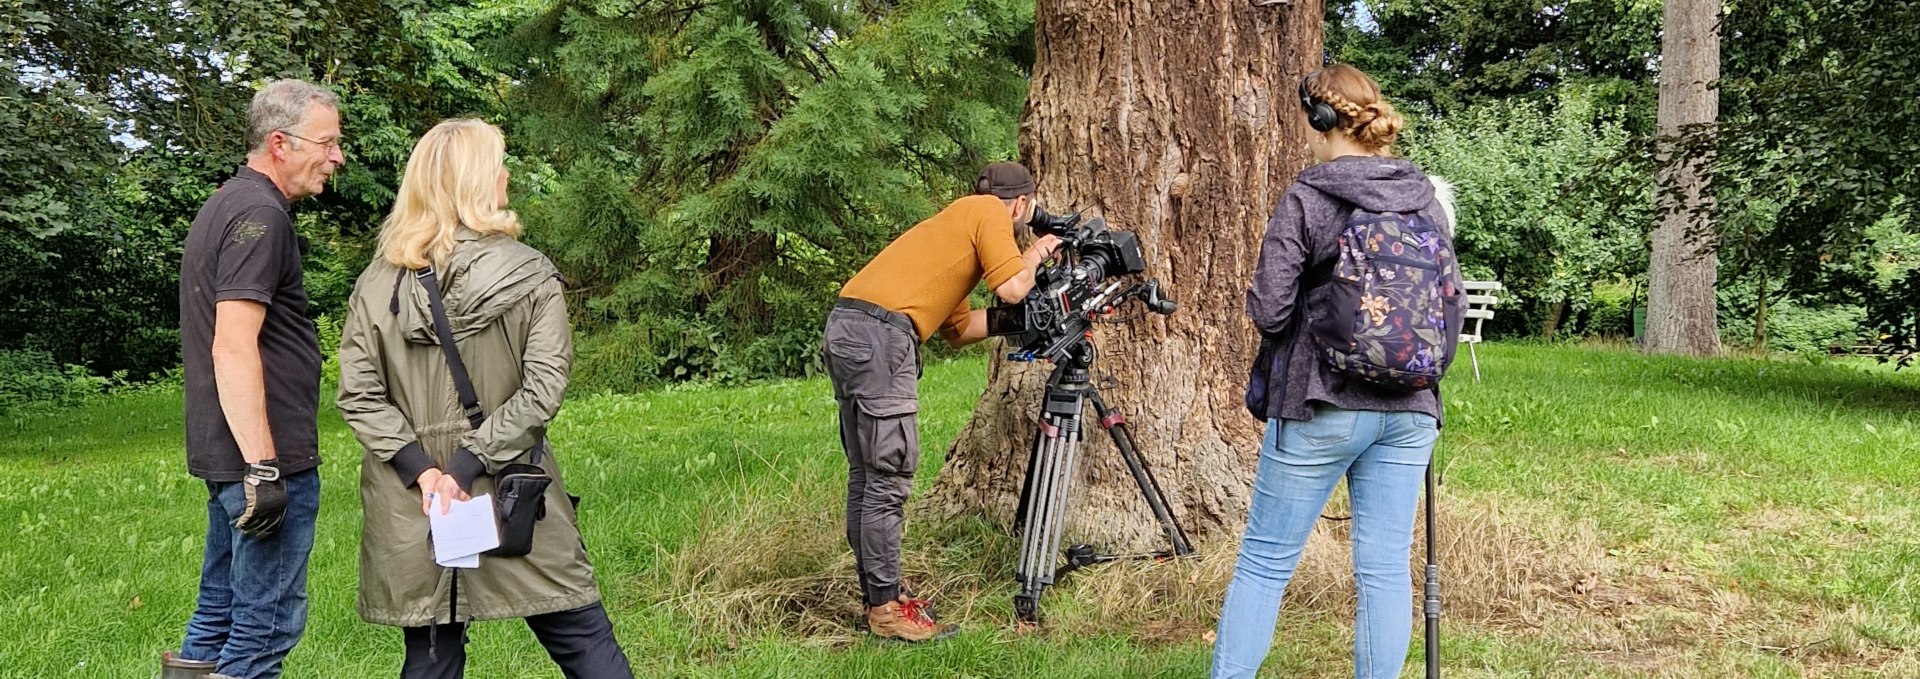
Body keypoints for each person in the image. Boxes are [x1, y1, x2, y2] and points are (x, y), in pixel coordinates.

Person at [334, 119, 635, 678]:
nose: (507, 174)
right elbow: (543, 388)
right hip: (510, 486)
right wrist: (471, 463)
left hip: (416, 501)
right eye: (498, 163)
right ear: (476, 182)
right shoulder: (530, 275)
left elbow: (358, 395)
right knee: (580, 635)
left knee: (432, 657)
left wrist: (424, 472)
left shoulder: (376, 285)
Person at [1211, 64, 1466, 679]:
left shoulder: (1310, 196)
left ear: (1320, 121)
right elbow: (1449, 304)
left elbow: (1270, 311)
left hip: (1320, 403)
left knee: (1266, 561)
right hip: (1411, 409)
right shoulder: (1425, 197)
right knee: (1383, 569)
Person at [826, 162, 1064, 642]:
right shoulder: (988, 213)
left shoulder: (954, 227)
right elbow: (1013, 287)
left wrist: (1026, 325)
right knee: (888, 477)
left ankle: (879, 596)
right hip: (881, 338)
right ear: (1021, 204)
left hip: (848, 325)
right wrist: (1039, 250)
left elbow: (960, 331)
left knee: (868, 477)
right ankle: (885, 611)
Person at [164, 79, 344, 679]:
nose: (336, 158)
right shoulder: (261, 215)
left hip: (227, 453)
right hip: (261, 458)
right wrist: (265, 468)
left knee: (220, 609)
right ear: (279, 143)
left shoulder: (228, 204)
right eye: (327, 143)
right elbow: (233, 345)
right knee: (266, 624)